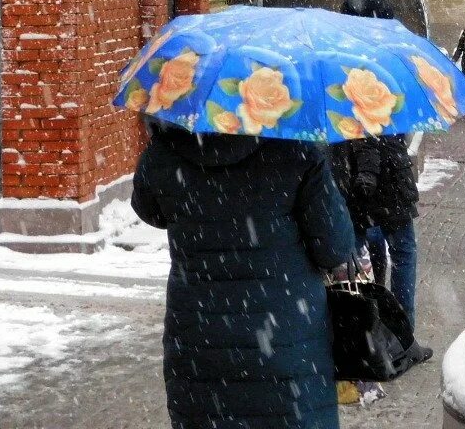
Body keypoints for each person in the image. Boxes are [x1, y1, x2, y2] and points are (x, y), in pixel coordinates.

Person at [132, 122, 354, 429]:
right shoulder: (296, 151)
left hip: (200, 341)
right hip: (286, 340)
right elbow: (335, 248)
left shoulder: (165, 153)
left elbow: (149, 210)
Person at [330, 135, 432, 365]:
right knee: (401, 254)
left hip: (352, 173)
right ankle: (402, 340)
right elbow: (371, 133)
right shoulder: (378, 102)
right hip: (386, 177)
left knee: (351, 261)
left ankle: (357, 338)